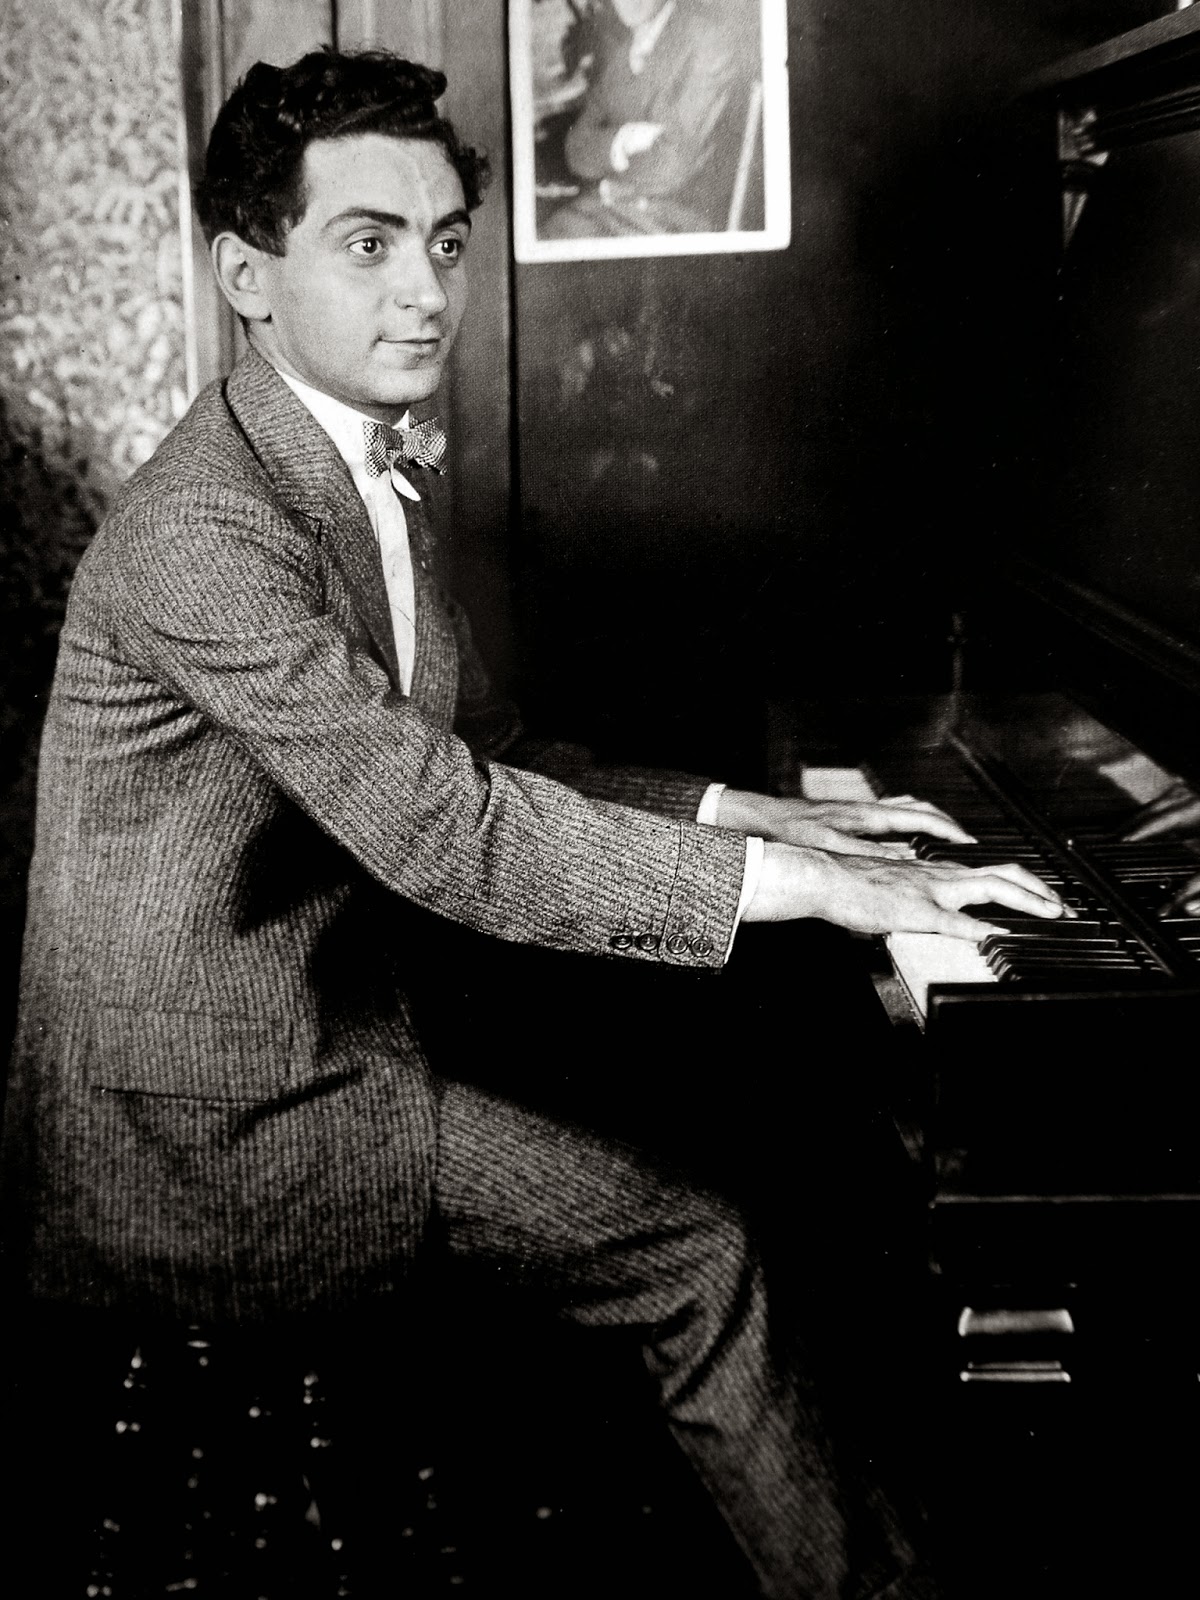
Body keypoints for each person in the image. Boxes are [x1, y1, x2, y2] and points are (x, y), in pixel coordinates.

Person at [2, 49, 1069, 1598]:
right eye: (369, 243)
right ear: (246, 275)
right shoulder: (205, 528)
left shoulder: (355, 465)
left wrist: (752, 812)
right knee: (696, 1249)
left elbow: (490, 751)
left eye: (444, 243)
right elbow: (449, 828)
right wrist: (816, 889)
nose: (428, 291)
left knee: (727, 1147)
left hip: (330, 1040)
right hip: (212, 1119)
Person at [542, 0, 757, 238]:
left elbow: (677, 162)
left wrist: (611, 177)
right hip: (612, 209)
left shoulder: (709, 43)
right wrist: (623, 140)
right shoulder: (621, 52)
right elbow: (576, 148)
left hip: (674, 223)